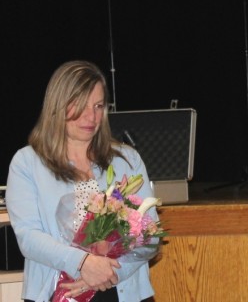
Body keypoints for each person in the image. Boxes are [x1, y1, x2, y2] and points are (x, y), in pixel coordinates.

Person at [6, 60, 158, 302]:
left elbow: (151, 237)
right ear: (56, 106)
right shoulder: (27, 162)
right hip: (58, 294)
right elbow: (29, 238)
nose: (91, 116)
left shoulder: (128, 160)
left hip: (122, 289)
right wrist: (84, 264)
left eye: (98, 106)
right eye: (80, 105)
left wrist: (108, 274)